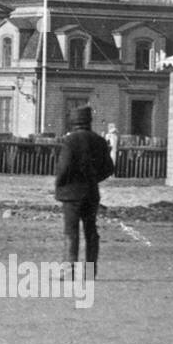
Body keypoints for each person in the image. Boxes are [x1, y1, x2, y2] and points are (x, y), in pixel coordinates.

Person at [54, 105, 115, 278]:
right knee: (91, 232)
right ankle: (90, 271)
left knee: (71, 232)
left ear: (73, 122)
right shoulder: (99, 141)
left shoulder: (70, 141)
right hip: (91, 193)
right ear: (89, 121)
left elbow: (64, 167)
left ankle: (69, 270)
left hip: (71, 194)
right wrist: (93, 179)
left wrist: (60, 184)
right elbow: (109, 168)